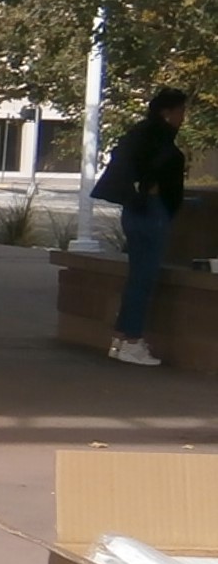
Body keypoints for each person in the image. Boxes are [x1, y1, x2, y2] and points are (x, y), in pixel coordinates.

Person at [93, 87, 188, 367]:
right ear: (167, 113)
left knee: (137, 277)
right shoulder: (161, 143)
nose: (183, 117)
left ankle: (121, 339)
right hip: (153, 210)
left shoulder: (136, 136)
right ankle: (132, 340)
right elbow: (163, 179)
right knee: (144, 279)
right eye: (181, 111)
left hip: (134, 210)